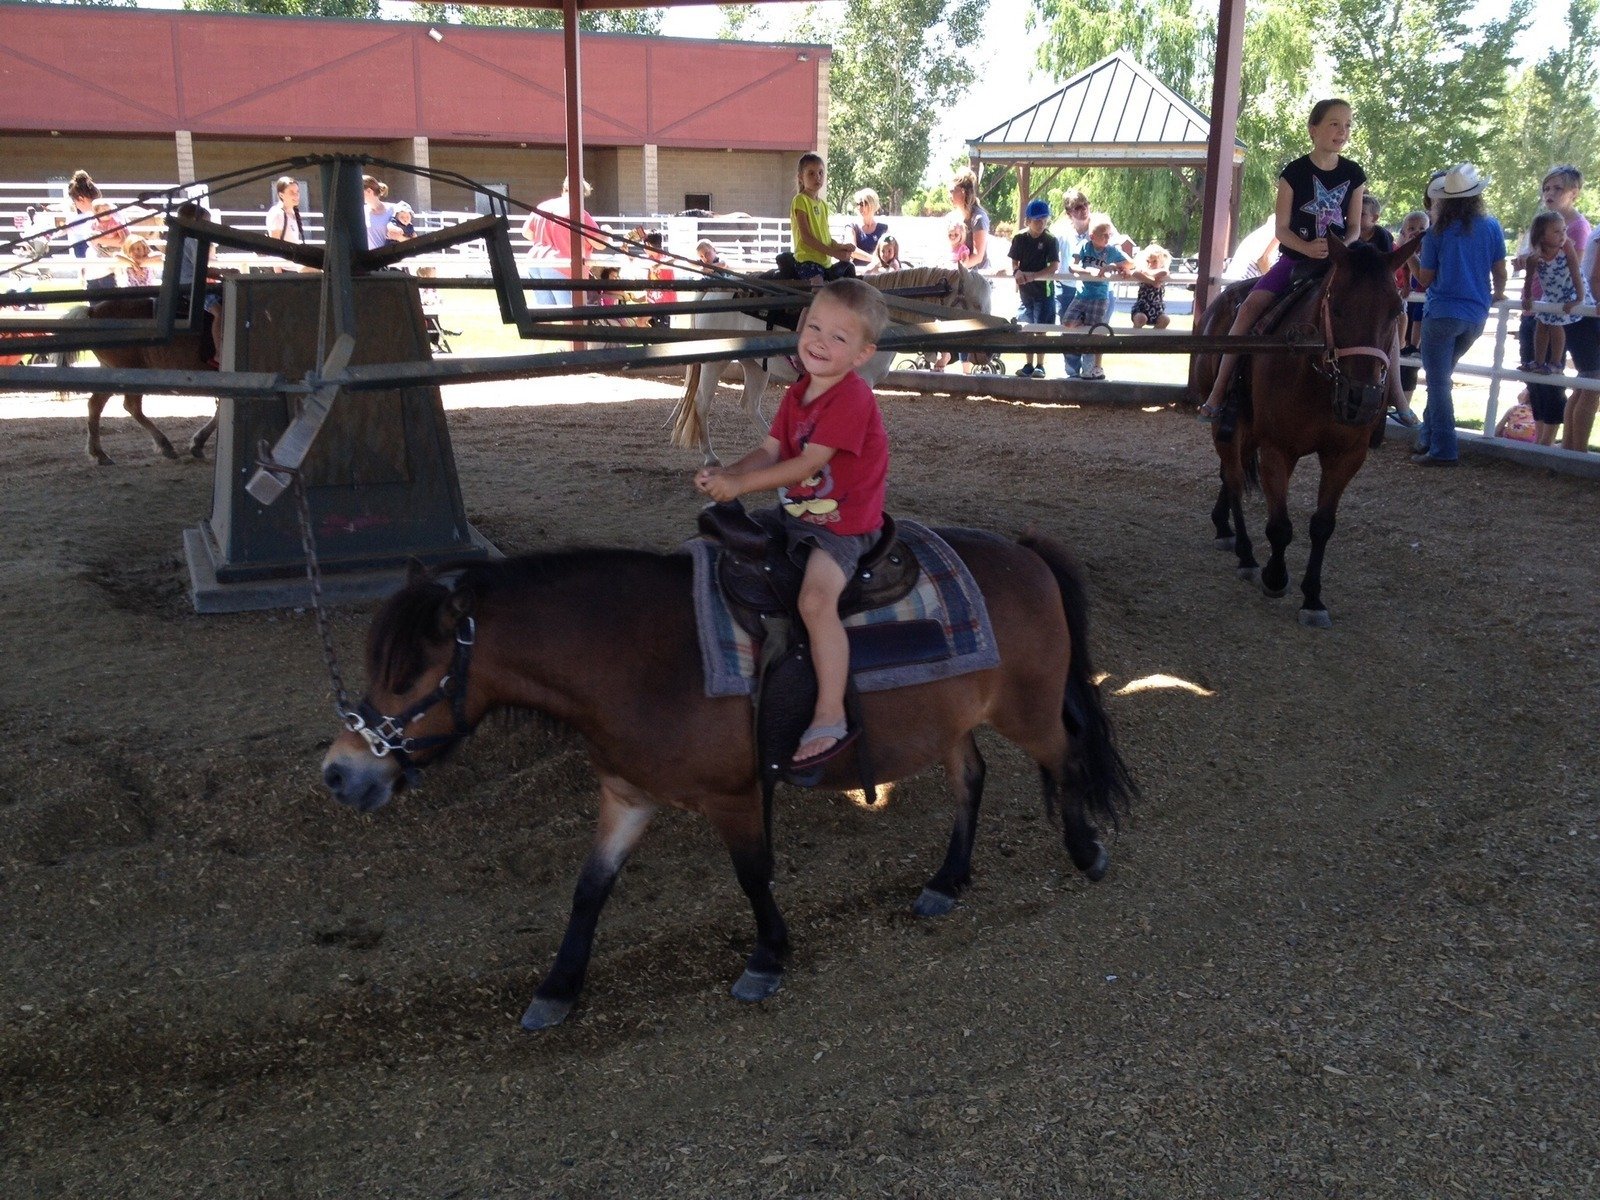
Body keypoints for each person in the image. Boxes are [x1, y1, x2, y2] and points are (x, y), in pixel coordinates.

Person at [693, 279, 892, 771]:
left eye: (839, 338)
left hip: (842, 526)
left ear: (863, 353)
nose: (820, 341)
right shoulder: (798, 392)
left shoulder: (852, 398)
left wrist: (741, 488)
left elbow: (806, 464)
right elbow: (770, 450)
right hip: (798, 514)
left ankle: (829, 713)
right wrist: (729, 472)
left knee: (815, 602)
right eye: (814, 327)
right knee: (730, 554)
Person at [1200, 98, 1367, 420]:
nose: (1342, 131)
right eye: (1334, 123)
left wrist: (1340, 248)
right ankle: (1219, 389)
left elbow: (1356, 227)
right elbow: (1281, 227)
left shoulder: (1354, 174)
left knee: (1376, 312)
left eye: (1347, 125)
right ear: (1313, 130)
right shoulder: (1294, 172)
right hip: (1294, 262)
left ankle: (1394, 399)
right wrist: (1306, 249)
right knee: (1248, 307)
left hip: (1338, 263)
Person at [1411, 163, 1507, 467]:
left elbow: (1425, 279)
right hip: (1476, 315)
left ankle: (1444, 447)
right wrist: (1497, 294)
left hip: (1441, 313)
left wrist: (1408, 258)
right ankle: (1427, 435)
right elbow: (1500, 271)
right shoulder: (1491, 226)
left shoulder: (1436, 232)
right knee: (1443, 378)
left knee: (1438, 383)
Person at [1513, 166, 1591, 444]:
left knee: (1553, 375)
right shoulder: (1540, 226)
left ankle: (1547, 441)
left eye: (1557, 188)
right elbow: (1530, 261)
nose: (1549, 193)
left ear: (1573, 193)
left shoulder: (1575, 231)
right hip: (1538, 304)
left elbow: (1575, 267)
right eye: (1546, 188)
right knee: (1534, 373)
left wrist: (1576, 298)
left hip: (1559, 303)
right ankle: (1540, 438)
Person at [1060, 215, 1129, 380]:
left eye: (1108, 235)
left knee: (1094, 331)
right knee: (1067, 323)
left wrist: (1114, 266)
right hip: (1082, 294)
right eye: (1103, 234)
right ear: (1092, 236)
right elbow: (1072, 266)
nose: (1107, 238)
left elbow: (1129, 263)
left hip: (1099, 296)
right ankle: (1076, 369)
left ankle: (1089, 369)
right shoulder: (1084, 246)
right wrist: (1088, 271)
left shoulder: (1111, 250)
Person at [521, 176, 605, 307]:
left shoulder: (543, 206)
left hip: (536, 263)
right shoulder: (579, 213)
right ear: (581, 193)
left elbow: (526, 232)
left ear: (564, 189)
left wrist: (547, 239)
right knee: (570, 315)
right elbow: (599, 243)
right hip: (561, 266)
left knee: (544, 314)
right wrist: (607, 233)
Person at [1521, 209, 1585, 374]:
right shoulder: (1535, 257)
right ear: (1542, 236)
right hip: (1551, 294)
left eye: (1564, 230)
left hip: (1568, 291)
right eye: (1557, 231)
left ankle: (1556, 362)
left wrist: (1579, 297)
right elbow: (1528, 279)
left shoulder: (1566, 247)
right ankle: (1538, 361)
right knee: (1541, 324)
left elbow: (1575, 270)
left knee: (1556, 324)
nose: (1562, 234)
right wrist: (1528, 297)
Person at [1008, 198, 1060, 377]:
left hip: (1044, 292)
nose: (1041, 223)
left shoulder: (1051, 240)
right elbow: (1014, 261)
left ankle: (1040, 365)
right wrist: (1017, 272)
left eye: (1044, 219)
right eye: (1037, 220)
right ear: (1028, 221)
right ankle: (1028, 364)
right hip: (1025, 292)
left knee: (1041, 330)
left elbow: (1054, 266)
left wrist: (1033, 276)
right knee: (1027, 328)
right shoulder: (1019, 238)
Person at [790, 152, 855, 283]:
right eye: (811, 173)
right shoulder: (800, 200)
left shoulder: (823, 205)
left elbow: (825, 238)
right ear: (800, 177)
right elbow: (806, 237)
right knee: (817, 284)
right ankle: (811, 303)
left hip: (824, 262)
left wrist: (840, 247)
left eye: (820, 173)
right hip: (807, 261)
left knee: (850, 273)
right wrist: (834, 253)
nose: (817, 177)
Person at [1392, 209, 1430, 426]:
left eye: (1422, 229)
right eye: (1412, 229)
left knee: (1411, 362)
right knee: (1399, 356)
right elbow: (1405, 271)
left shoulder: (1430, 251)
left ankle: (1404, 406)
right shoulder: (1405, 252)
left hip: (1423, 302)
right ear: (1404, 232)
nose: (1417, 233)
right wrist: (1405, 285)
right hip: (1408, 301)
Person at [1129, 243, 1173, 329]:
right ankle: (1136, 339)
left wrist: (1149, 273)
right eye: (1148, 261)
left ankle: (1153, 339)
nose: (1150, 264)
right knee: (1141, 319)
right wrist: (1152, 281)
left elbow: (1164, 272)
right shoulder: (1142, 272)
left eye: (1154, 261)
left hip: (1157, 308)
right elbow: (1134, 273)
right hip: (1141, 307)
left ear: (1162, 262)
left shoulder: (1162, 272)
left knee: (1165, 320)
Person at [643, 231, 676, 328]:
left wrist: (659, 265)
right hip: (654, 301)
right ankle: (652, 342)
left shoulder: (663, 257)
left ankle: (654, 342)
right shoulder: (651, 258)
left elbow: (673, 260)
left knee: (660, 329)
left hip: (664, 302)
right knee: (642, 322)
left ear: (648, 244)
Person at [848, 188, 889, 265]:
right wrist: (874, 260)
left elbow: (890, 249)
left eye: (864, 204)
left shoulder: (884, 229)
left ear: (873, 205)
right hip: (858, 273)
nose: (860, 207)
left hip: (879, 273)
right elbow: (852, 250)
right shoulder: (852, 227)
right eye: (858, 204)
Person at [361, 175, 395, 251]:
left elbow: (410, 237)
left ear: (369, 191)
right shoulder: (361, 212)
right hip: (370, 259)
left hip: (391, 258)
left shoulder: (393, 209)